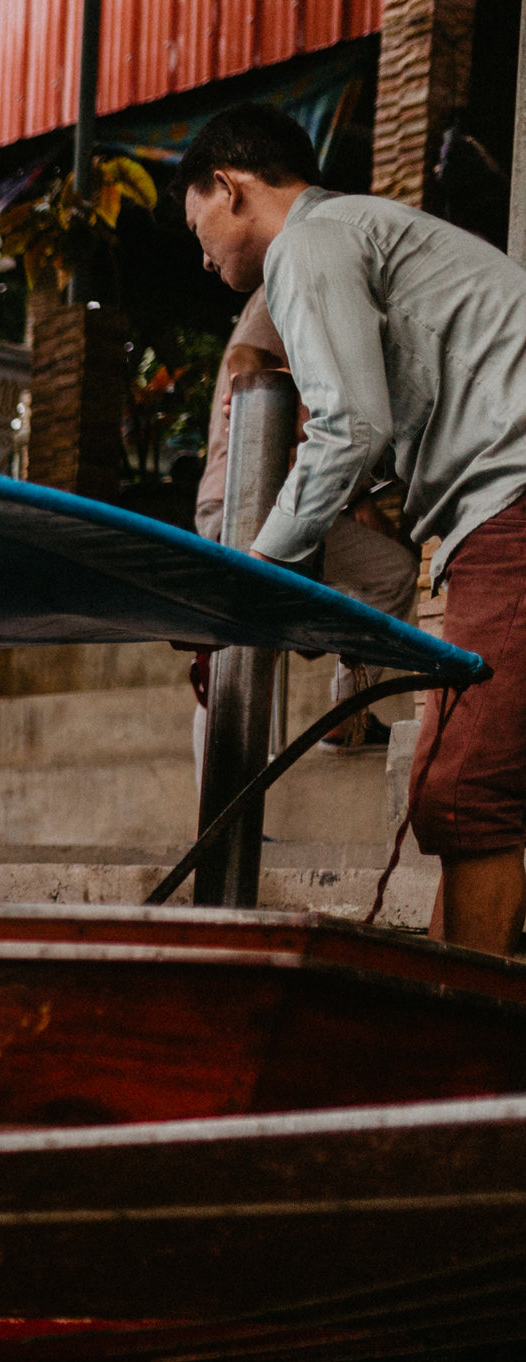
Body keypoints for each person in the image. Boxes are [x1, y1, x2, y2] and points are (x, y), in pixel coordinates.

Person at [179, 102, 526, 955]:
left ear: (230, 188)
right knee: (464, 789)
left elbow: (347, 428)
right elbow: (376, 427)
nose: (202, 255)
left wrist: (249, 585)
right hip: (496, 501)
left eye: (199, 230)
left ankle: (456, 1051)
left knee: (462, 789)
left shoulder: (308, 242)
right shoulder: (365, 231)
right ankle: (444, 1020)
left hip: (514, 503)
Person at [193, 286, 419, 749]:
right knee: (238, 654)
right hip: (248, 502)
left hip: (284, 502)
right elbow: (247, 361)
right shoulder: (286, 282)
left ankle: (344, 713)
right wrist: (299, 413)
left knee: (390, 572)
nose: (206, 267)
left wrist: (358, 499)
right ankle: (220, 814)